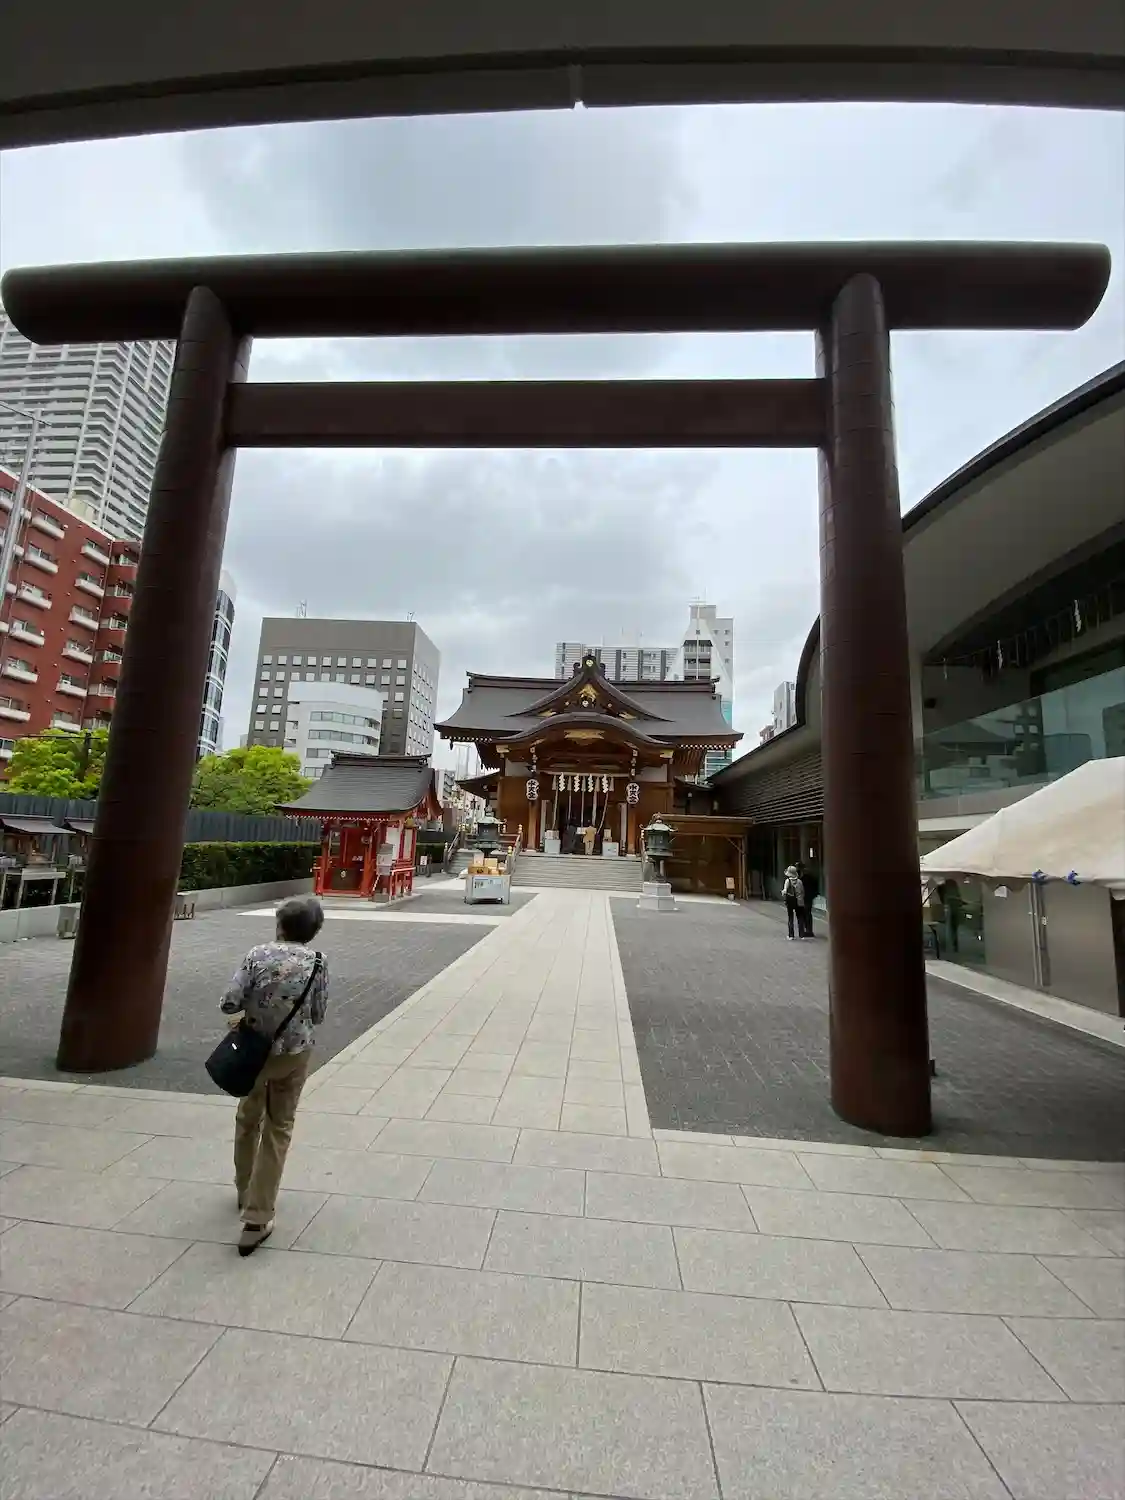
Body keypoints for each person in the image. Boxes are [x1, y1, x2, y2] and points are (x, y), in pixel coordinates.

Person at [220, 895, 329, 1255]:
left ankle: (243, 1188)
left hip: (252, 1052)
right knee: (278, 1127)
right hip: (293, 1053)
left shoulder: (257, 955)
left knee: (247, 1118)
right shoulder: (318, 962)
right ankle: (257, 1215)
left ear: (280, 925)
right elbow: (318, 1013)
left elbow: (229, 1002)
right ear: (313, 931)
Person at [782, 864, 806, 940]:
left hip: (790, 901)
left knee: (790, 918)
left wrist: (783, 893)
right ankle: (802, 935)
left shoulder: (787, 881)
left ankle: (791, 935)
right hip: (799, 902)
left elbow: (785, 891)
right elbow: (802, 892)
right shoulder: (799, 881)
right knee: (800, 918)